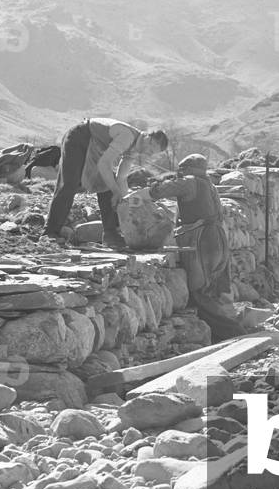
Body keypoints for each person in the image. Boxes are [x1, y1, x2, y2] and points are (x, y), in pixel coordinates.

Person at [149, 153, 246, 341]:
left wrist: (158, 181)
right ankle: (224, 333)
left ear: (185, 169)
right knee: (214, 288)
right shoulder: (208, 184)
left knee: (201, 292)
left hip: (202, 241)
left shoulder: (189, 181)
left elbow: (157, 192)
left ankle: (234, 335)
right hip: (218, 238)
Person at [45, 118, 168, 248]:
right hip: (79, 137)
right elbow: (104, 164)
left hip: (94, 146)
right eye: (151, 148)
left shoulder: (134, 149)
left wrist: (126, 203)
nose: (150, 153)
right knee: (69, 184)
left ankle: (111, 235)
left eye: (153, 153)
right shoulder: (127, 136)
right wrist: (116, 192)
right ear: (148, 138)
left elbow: (121, 178)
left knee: (107, 188)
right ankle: (50, 232)